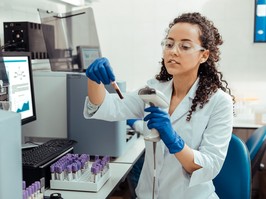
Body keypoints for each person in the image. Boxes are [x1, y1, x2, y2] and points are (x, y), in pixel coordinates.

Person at [83, 12, 234, 199]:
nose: (173, 51)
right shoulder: (153, 90)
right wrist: (93, 80)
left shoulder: (219, 102)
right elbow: (108, 107)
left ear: (203, 55)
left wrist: (174, 140)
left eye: (185, 46)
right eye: (169, 44)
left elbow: (210, 166)